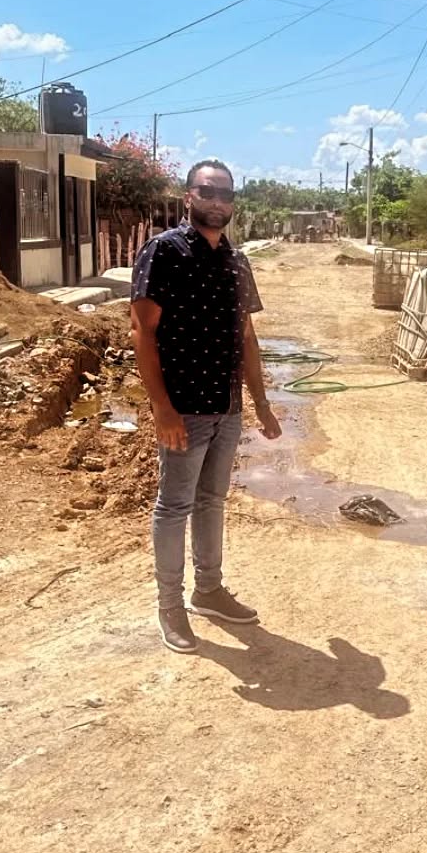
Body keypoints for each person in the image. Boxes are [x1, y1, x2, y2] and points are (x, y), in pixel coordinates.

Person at [131, 159, 282, 655]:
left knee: (212, 500)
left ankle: (209, 590)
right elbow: (142, 333)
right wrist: (162, 409)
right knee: (174, 505)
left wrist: (261, 404)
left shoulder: (237, 261)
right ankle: (169, 605)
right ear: (188, 196)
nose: (218, 201)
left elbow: (247, 337)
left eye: (226, 194)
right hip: (184, 408)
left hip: (226, 405)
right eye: (208, 191)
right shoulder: (164, 251)